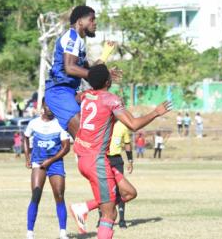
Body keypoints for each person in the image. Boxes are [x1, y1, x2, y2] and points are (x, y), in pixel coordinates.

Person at [69, 64, 172, 237]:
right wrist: (155, 112)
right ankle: (85, 209)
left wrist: (102, 76)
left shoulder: (86, 96)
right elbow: (133, 125)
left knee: (129, 193)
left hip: (85, 157)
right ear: (108, 81)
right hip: (97, 162)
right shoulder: (111, 99)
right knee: (110, 214)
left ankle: (83, 207)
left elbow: (81, 93)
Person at [44, 5, 119, 139]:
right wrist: (98, 74)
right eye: (92, 19)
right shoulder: (72, 37)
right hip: (59, 92)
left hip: (70, 92)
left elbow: (88, 73)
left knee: (94, 132)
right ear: (80, 22)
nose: (94, 23)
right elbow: (70, 68)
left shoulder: (79, 42)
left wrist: (104, 64)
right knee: (85, 138)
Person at [23, 98, 71, 239]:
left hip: (55, 163)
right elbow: (25, 137)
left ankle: (63, 232)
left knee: (59, 195)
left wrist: (51, 160)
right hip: (38, 162)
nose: (50, 108)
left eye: (53, 105)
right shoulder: (34, 123)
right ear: (43, 105)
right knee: (36, 195)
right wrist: (27, 158)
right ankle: (30, 232)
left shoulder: (60, 124)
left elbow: (66, 147)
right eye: (47, 105)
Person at [96, 120, 133, 229]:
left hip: (116, 160)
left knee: (120, 190)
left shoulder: (123, 126)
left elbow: (127, 143)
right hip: (103, 159)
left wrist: (130, 161)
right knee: (102, 189)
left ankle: (122, 220)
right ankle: (101, 218)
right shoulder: (101, 122)